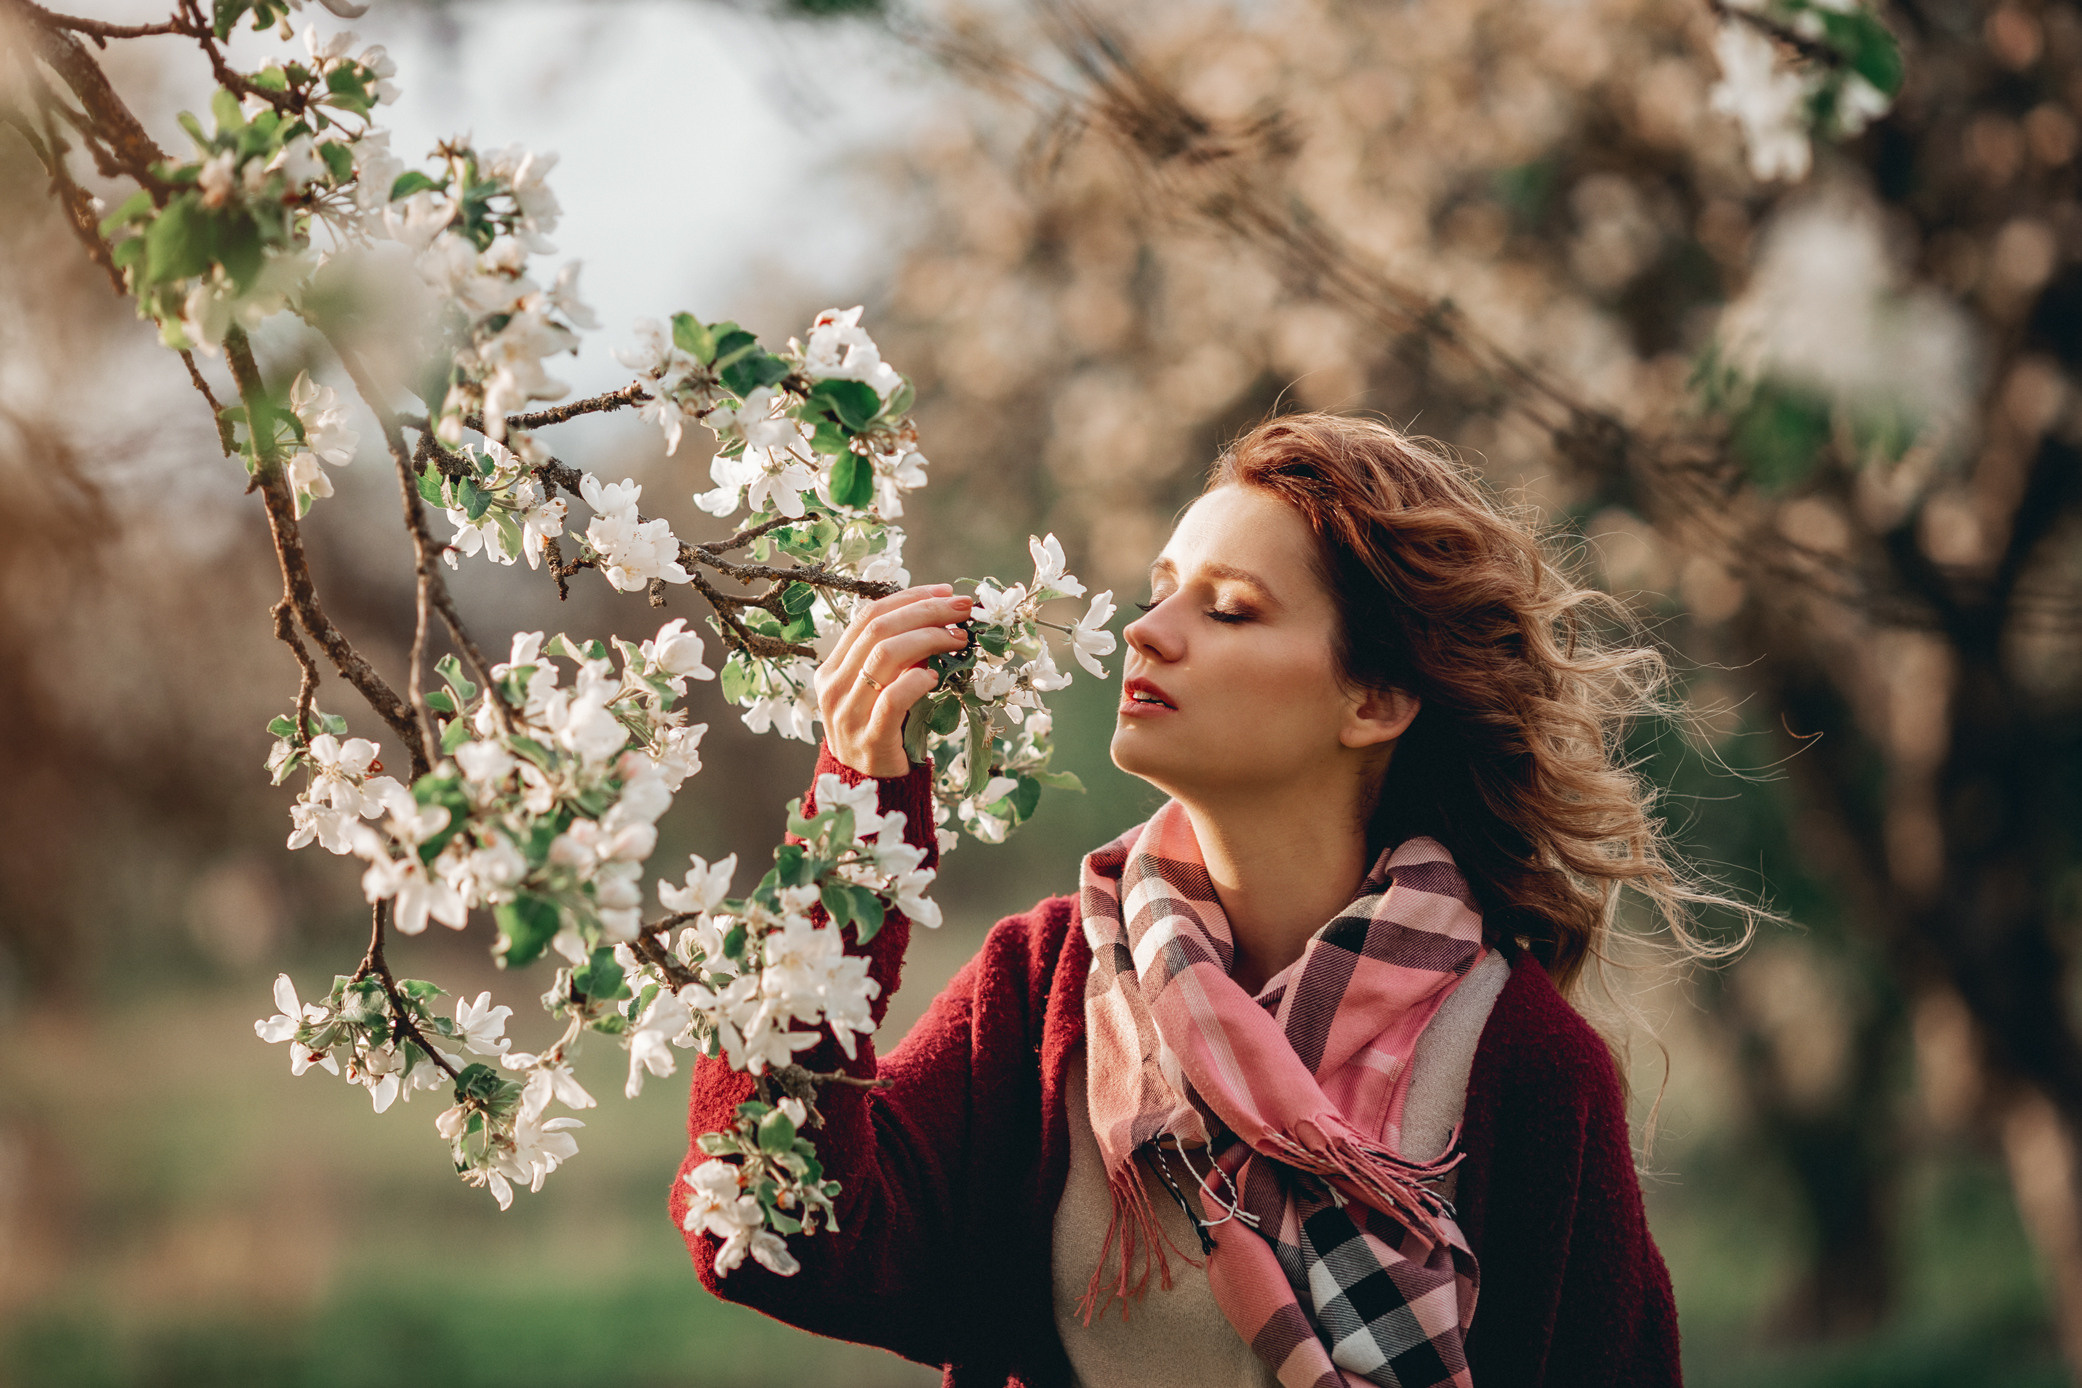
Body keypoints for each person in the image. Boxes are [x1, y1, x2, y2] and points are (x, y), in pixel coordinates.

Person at [675, 412, 1743, 1387]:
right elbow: (776, 1231)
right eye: (1160, 589)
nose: (1148, 630)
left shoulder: (1523, 1062)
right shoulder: (1047, 985)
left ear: (1373, 699)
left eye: (1227, 608)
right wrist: (855, 823)